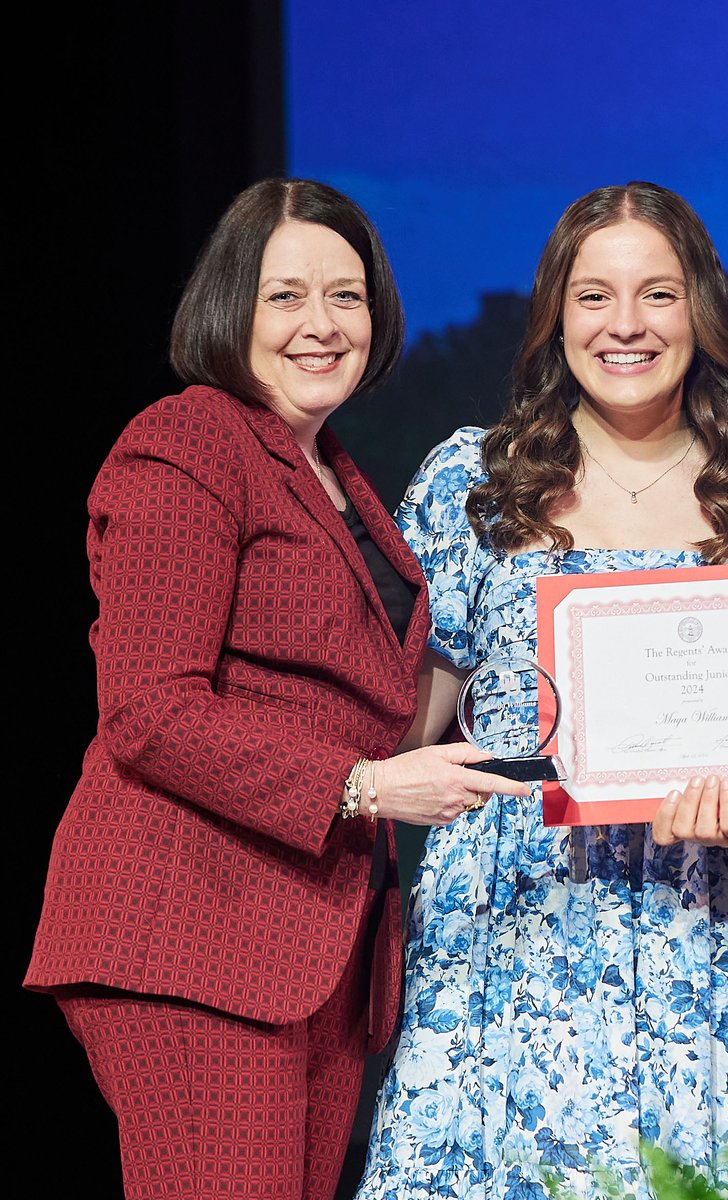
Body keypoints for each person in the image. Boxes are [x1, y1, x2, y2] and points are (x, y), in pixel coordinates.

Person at [23, 177, 527, 1200]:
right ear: (229, 309)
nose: (321, 324)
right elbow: (149, 711)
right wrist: (370, 788)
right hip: (193, 933)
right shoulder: (188, 440)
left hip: (312, 946)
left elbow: (374, 695)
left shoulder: (333, 473)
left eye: (347, 297)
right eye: (286, 296)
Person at [353, 181, 728, 1200]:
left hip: (698, 912)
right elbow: (407, 727)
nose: (627, 325)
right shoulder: (470, 483)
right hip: (508, 916)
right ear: (555, 315)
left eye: (658, 293)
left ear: (703, 307)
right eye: (595, 296)